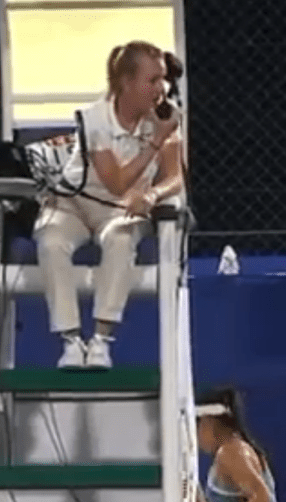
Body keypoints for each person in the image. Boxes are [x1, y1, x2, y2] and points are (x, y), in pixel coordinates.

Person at [33, 41, 184, 369]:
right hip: (74, 203)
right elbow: (116, 180)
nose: (162, 88)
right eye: (152, 80)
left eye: (163, 79)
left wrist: (153, 195)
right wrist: (156, 140)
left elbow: (176, 177)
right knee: (51, 238)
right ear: (127, 83)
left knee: (120, 239)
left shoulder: (165, 117)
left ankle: (101, 341)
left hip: (121, 210)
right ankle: (71, 341)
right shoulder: (94, 118)